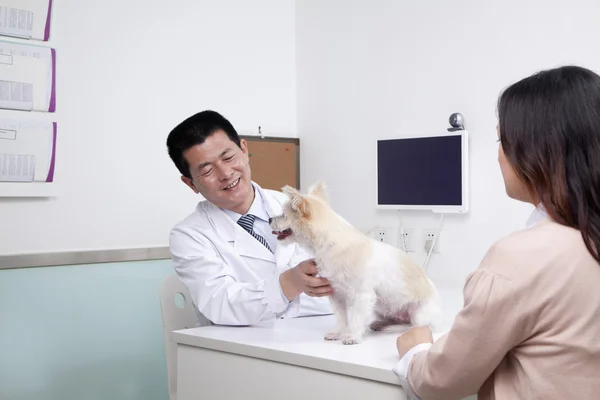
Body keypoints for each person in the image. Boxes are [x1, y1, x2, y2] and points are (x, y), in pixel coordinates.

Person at [393, 65, 600, 399]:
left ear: (536, 151)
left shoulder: (521, 259)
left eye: (501, 139)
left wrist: (415, 352)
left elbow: (442, 382)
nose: (499, 155)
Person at [166, 110, 332, 326]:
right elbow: (222, 305)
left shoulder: (296, 206)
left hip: (320, 335)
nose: (225, 173)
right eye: (207, 170)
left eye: (228, 157)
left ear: (244, 150)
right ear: (190, 183)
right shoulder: (189, 236)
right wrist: (290, 284)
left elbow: (341, 282)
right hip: (243, 351)